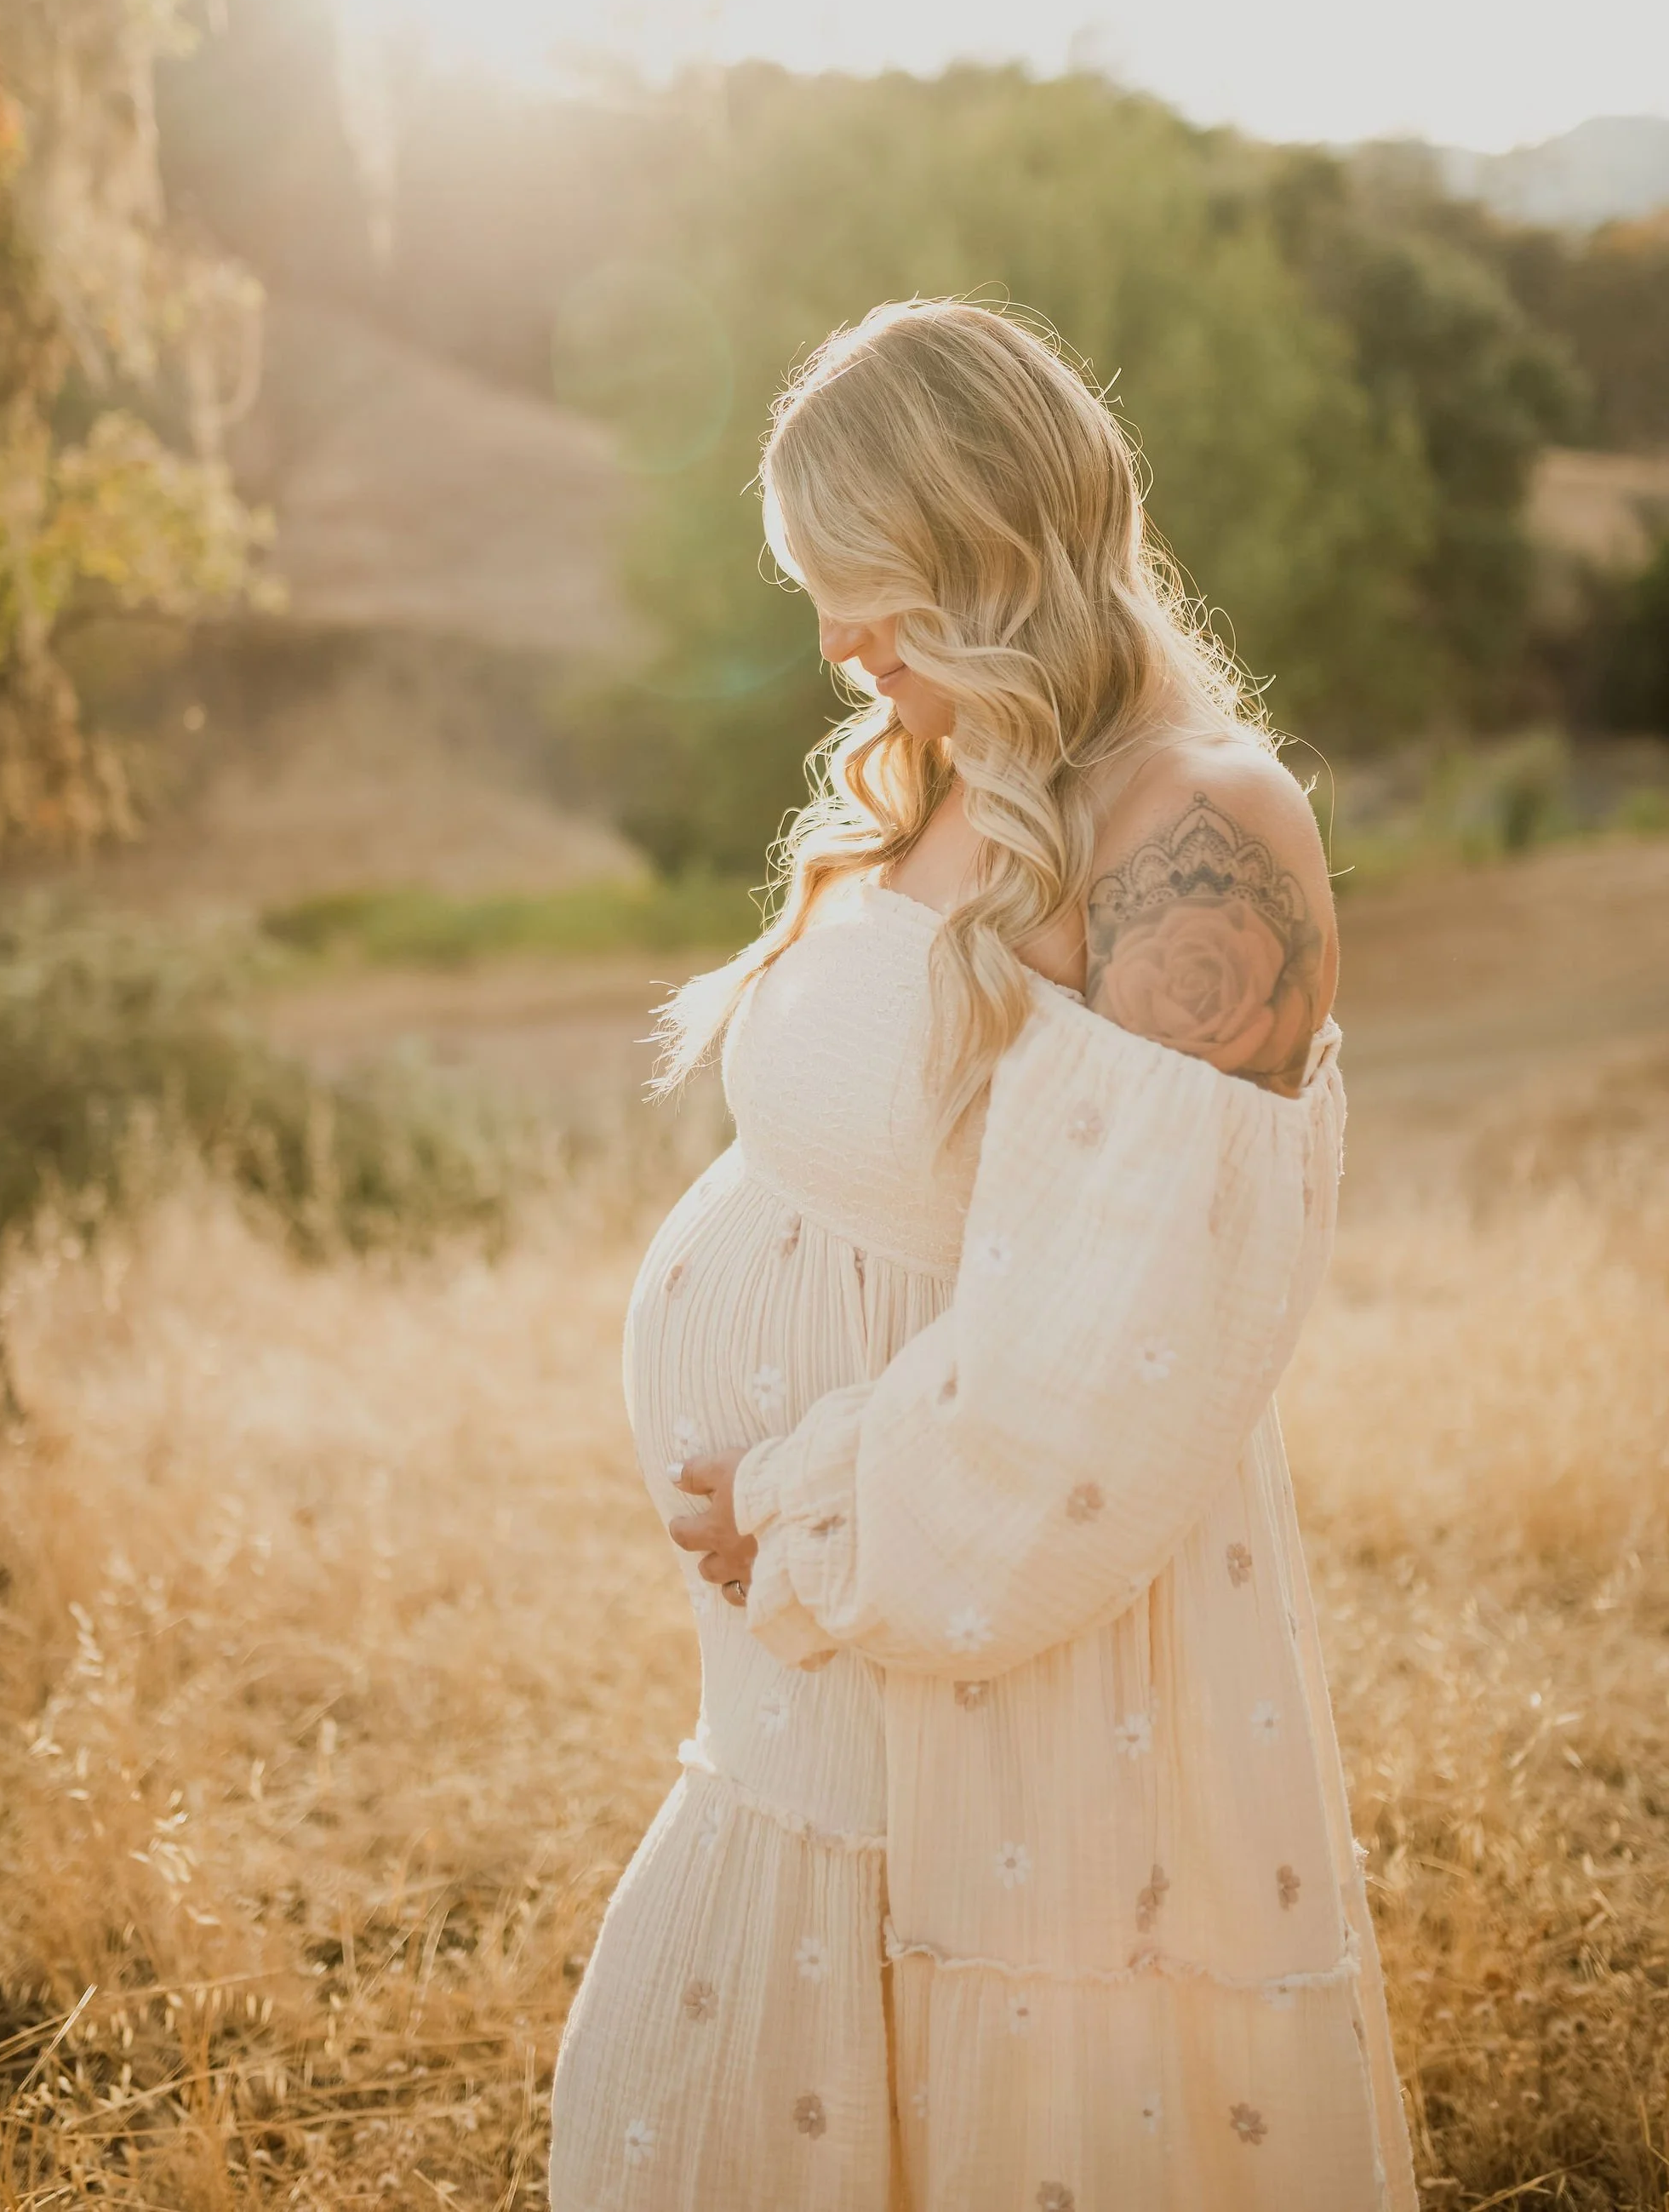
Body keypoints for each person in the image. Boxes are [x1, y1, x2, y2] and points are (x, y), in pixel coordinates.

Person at [548, 300, 1417, 2211]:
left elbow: (1108, 1366)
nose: (834, 642)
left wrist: (800, 1515)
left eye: (858, 581)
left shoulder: (1200, 831)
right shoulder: (959, 765)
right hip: (823, 1688)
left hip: (1001, 1652)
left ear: (986, 536)